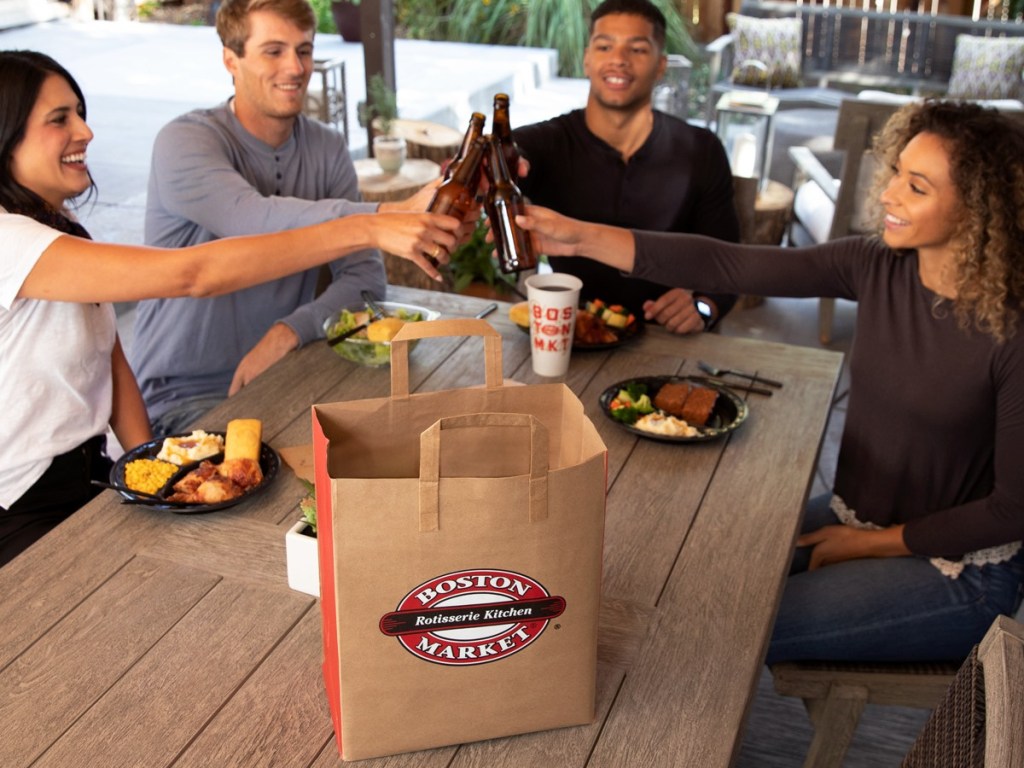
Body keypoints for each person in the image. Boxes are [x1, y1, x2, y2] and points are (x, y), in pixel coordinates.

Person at [516, 99, 1024, 663]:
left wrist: (868, 545)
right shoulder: (876, 265)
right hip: (855, 515)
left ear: (980, 210)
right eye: (898, 171)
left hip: (960, 571)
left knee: (717, 626)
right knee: (682, 578)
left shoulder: (1013, 333)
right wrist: (577, 237)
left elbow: (1012, 509)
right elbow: (730, 265)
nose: (888, 193)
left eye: (918, 186)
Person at [0, 49, 458, 566]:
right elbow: (192, 274)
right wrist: (373, 224)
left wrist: (153, 469)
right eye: (60, 119)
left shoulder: (58, 233)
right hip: (20, 505)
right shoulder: (10, 241)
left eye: (81, 113)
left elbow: (109, 358)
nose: (85, 131)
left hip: (91, 476)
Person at [130, 0, 448, 436]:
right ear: (231, 59)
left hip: (285, 370)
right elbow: (250, 218)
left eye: (304, 50)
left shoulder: (327, 147)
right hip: (186, 395)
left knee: (419, 434)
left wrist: (290, 331)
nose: (295, 67)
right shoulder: (184, 141)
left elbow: (364, 280)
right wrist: (381, 216)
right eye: (273, 51)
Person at [513, 0, 739, 334]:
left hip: (666, 335)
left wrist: (703, 306)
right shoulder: (545, 143)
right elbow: (504, 155)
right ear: (587, 59)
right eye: (605, 46)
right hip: (572, 331)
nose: (618, 60)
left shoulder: (700, 150)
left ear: (660, 66)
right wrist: (490, 166)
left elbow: (729, 266)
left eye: (637, 49)